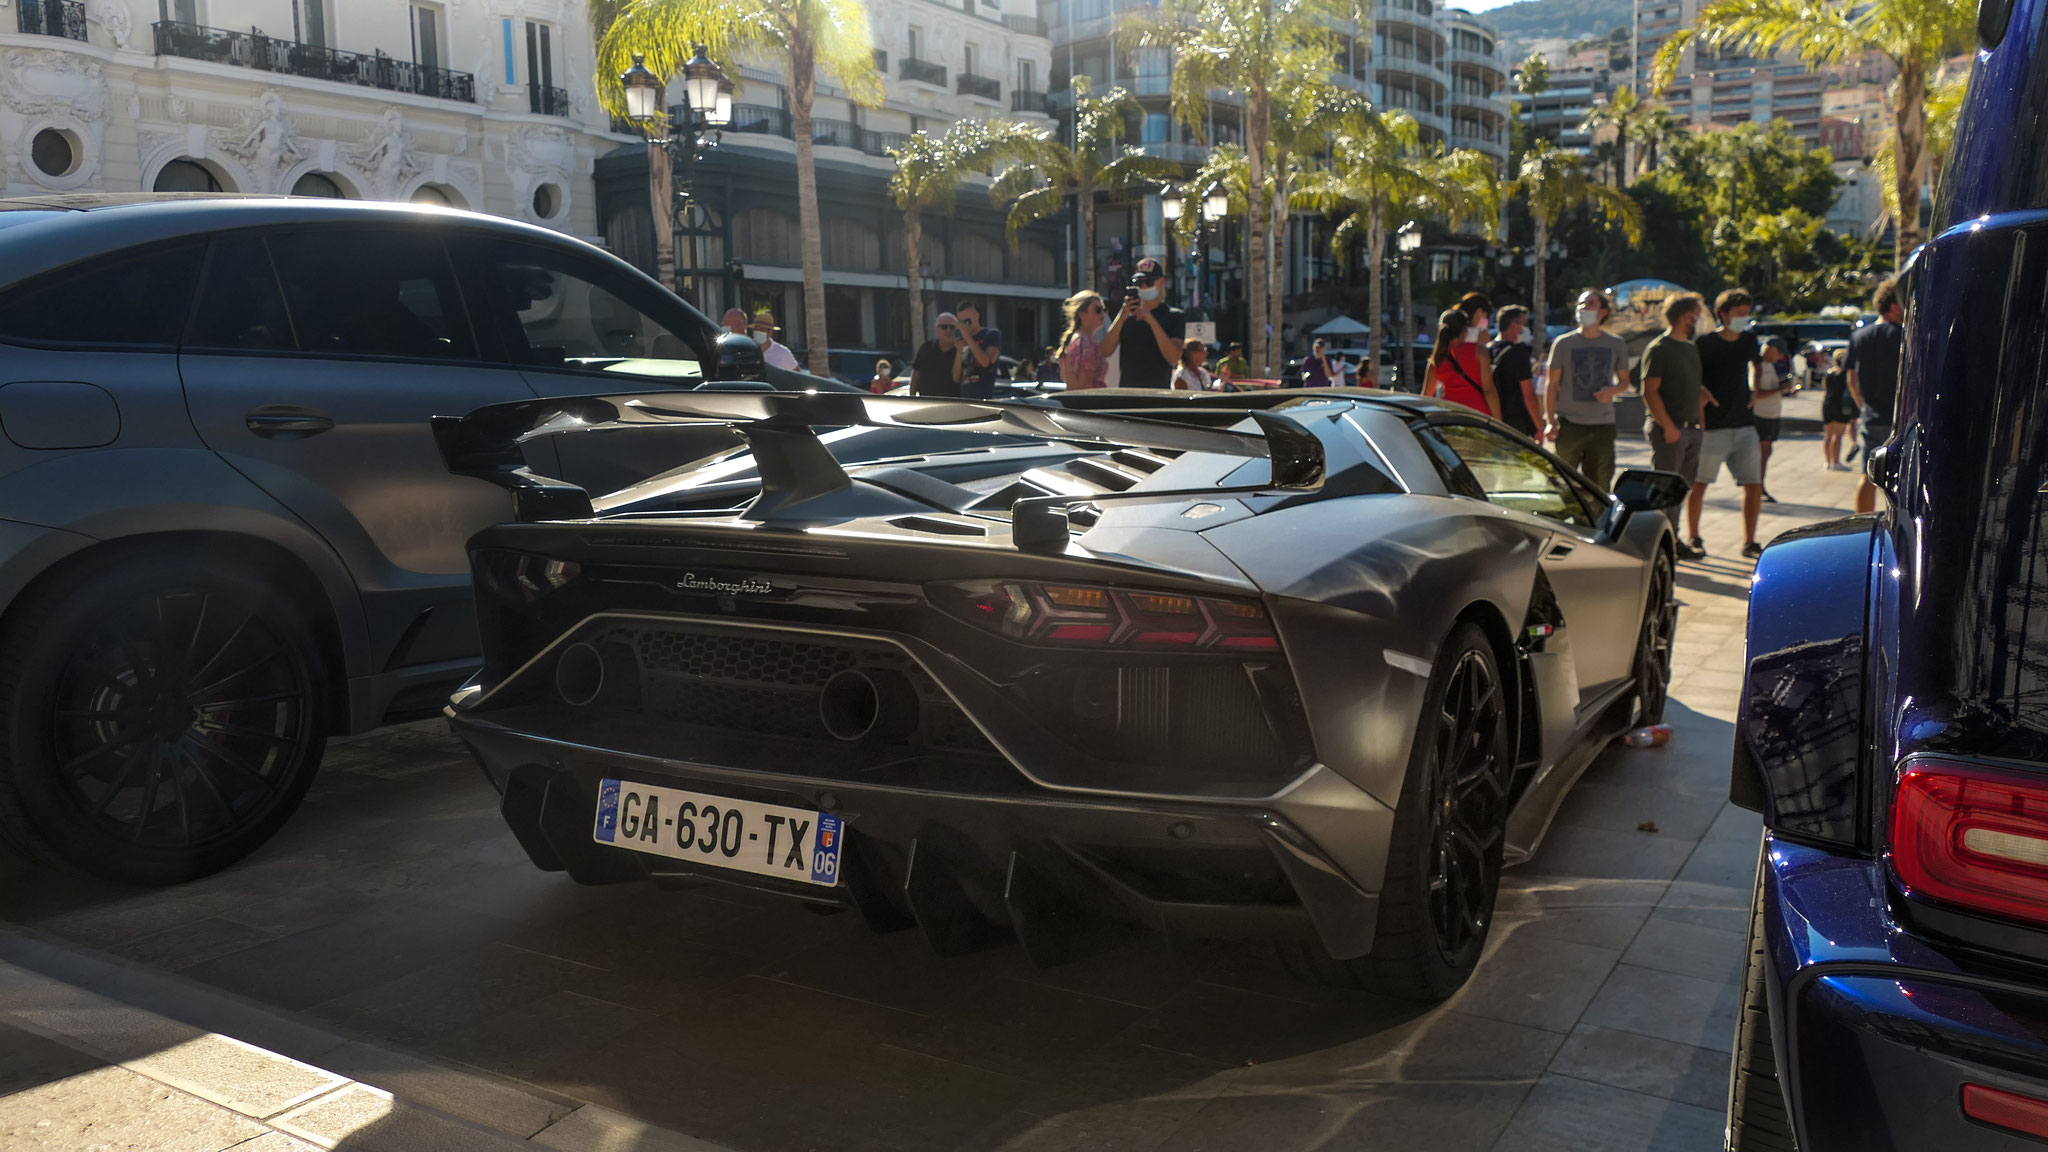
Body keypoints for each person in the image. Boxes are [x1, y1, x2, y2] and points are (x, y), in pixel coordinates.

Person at [1689, 288, 1782, 559]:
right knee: (1699, 485)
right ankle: (1694, 536)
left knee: (1753, 484)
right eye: (1739, 313)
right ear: (1723, 314)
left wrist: (1754, 388)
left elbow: (1756, 365)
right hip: (1713, 428)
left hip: (1744, 425)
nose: (1744, 318)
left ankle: (1749, 541)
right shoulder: (1704, 344)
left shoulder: (1749, 341)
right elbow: (1695, 379)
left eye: (1747, 313)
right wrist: (1700, 411)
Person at [1639, 292, 1708, 558]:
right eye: (1696, 314)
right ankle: (1656, 543)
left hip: (1691, 430)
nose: (1699, 319)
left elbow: (1687, 384)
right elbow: (1649, 391)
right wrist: (1667, 426)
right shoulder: (1659, 349)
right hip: (1670, 430)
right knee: (1664, 490)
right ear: (1684, 316)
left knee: (1680, 490)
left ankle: (1672, 541)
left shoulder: (1690, 348)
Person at [1543, 288, 1631, 490]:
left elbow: (1625, 382)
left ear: (1603, 312)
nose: (1584, 308)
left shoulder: (1616, 344)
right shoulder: (1562, 343)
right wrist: (1549, 421)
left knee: (1599, 486)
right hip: (1569, 425)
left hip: (1603, 425)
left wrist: (1611, 390)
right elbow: (1552, 384)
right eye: (1581, 304)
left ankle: (1596, 521)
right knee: (1563, 485)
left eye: (1590, 304)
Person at [1846, 278, 1906, 514]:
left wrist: (1863, 406)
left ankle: (1862, 522)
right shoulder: (1905, 335)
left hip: (1872, 417)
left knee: (1868, 476)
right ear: (1893, 305)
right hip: (1900, 419)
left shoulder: (1860, 337)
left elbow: (1852, 379)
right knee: (1902, 481)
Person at [1099, 257, 1185, 391]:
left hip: (1158, 395)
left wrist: (1151, 321)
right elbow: (1105, 351)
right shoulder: (1127, 314)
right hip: (1128, 394)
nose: (1143, 286)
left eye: (1149, 282)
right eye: (1138, 282)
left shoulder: (1174, 316)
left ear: (1161, 282)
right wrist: (1121, 317)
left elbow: (1173, 358)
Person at [1427, 308, 1500, 418]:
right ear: (1465, 329)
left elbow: (1426, 397)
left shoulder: (1437, 358)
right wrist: (1498, 421)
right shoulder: (1479, 351)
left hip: (1450, 416)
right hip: (1478, 415)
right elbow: (1489, 390)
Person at [1487, 305, 1541, 437]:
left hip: (1490, 418)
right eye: (1525, 324)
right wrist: (1540, 427)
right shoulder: (1518, 352)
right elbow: (1528, 394)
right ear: (1513, 326)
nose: (1527, 328)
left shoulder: (1487, 350)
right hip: (1515, 423)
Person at [1752, 335, 1793, 503]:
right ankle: (1757, 487)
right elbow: (1756, 394)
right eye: (1779, 354)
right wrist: (1779, 390)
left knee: (1766, 453)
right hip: (1761, 416)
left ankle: (1758, 486)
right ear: (1771, 350)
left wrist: (1783, 391)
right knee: (1761, 454)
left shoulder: (1770, 366)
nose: (1780, 358)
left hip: (1771, 416)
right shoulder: (1758, 366)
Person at [1055, 290, 1109, 390]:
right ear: (1082, 314)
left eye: (1104, 309)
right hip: (1089, 403)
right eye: (1097, 310)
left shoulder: (1074, 338)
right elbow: (1085, 387)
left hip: (1074, 401)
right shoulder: (1086, 341)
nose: (1102, 313)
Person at [952, 300, 1002, 399]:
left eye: (967, 321)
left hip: (984, 398)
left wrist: (967, 336)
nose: (965, 325)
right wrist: (958, 352)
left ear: (976, 316)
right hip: (965, 399)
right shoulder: (962, 340)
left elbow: (986, 362)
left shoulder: (991, 334)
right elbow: (956, 378)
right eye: (961, 322)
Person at [910, 311, 963, 397]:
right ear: (937, 330)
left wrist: (959, 351)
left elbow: (957, 379)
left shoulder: (962, 350)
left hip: (952, 404)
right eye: (944, 327)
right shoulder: (925, 348)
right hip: (926, 403)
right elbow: (915, 376)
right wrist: (911, 398)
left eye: (952, 327)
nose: (948, 330)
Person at [1821, 347, 1854, 470]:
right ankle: (1836, 462)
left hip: (1828, 404)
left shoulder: (1828, 373)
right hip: (1841, 405)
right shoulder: (1847, 374)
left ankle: (1828, 462)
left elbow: (1825, 388)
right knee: (1838, 436)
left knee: (1828, 435)